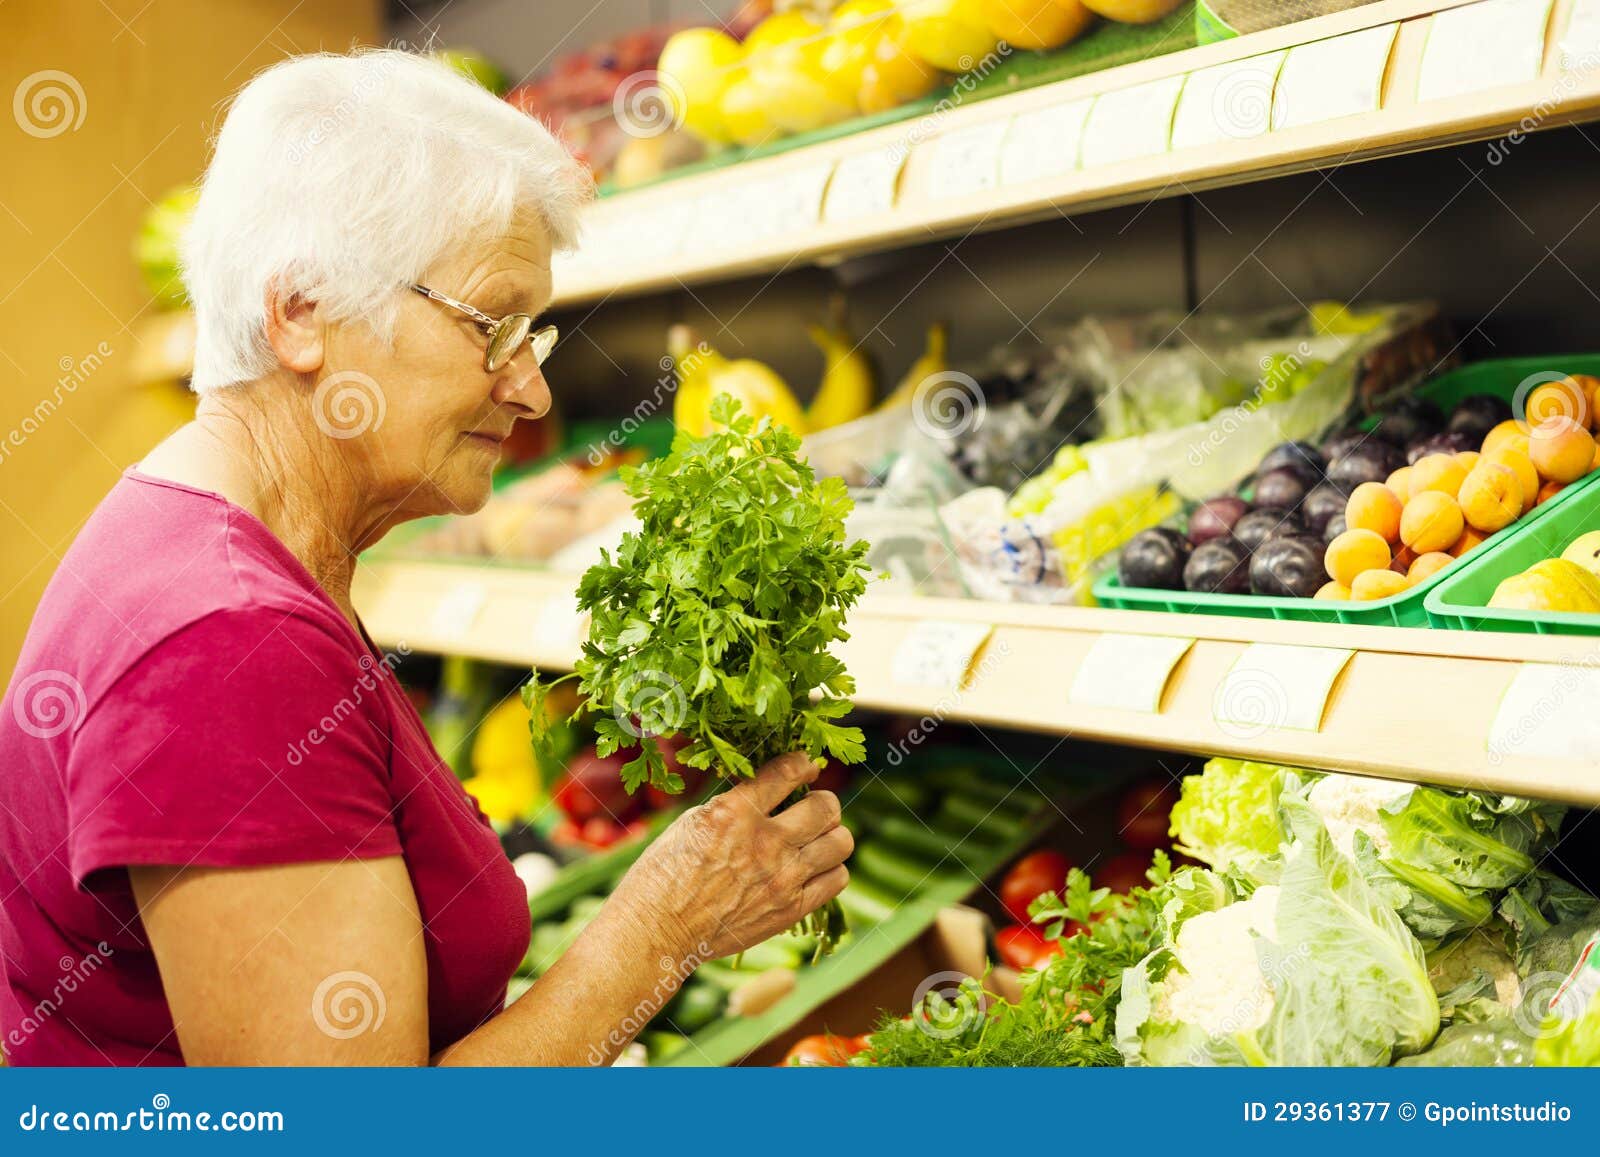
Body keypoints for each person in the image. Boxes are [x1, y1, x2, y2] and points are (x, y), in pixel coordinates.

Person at [0, 50, 852, 1066]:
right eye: (494, 327)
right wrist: (661, 932)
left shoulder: (221, 550)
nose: (532, 391)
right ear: (302, 310)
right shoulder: (225, 645)